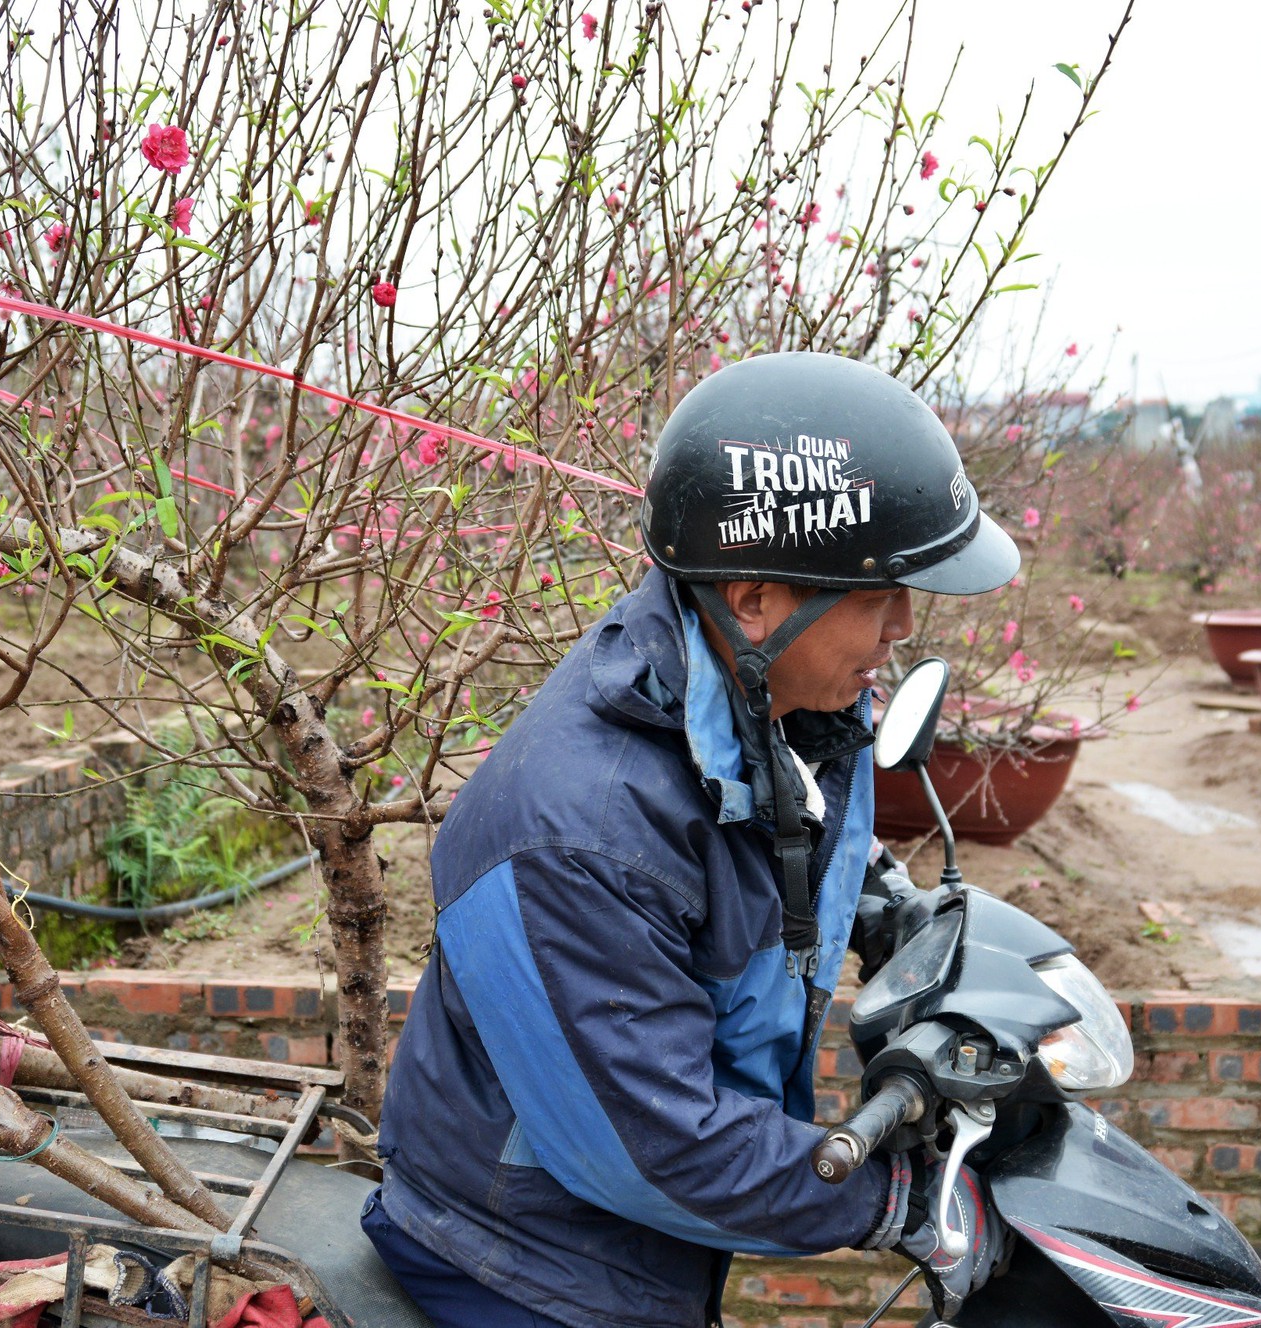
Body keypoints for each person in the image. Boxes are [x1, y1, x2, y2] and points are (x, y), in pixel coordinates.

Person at [362, 352, 1019, 1328]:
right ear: (752, 596)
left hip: (644, 1242)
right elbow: (653, 1144)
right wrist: (894, 1200)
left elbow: (783, 847)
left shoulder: (776, 705)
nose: (903, 625)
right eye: (879, 594)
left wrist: (882, 900)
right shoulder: (577, 833)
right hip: (528, 1264)